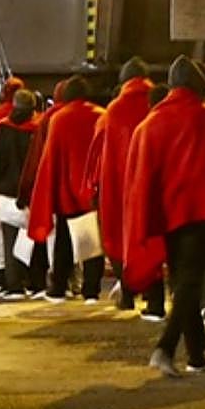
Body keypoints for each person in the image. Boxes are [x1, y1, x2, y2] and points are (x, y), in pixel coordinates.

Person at [124, 56, 205, 377]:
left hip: (166, 214)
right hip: (203, 210)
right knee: (190, 282)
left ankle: (196, 355)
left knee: (182, 281)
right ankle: (165, 347)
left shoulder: (150, 124)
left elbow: (138, 178)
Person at [85, 58, 161, 314]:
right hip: (153, 183)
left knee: (118, 238)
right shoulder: (158, 103)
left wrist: (94, 187)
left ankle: (127, 293)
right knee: (152, 237)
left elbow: (98, 152)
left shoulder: (113, 111)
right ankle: (155, 298)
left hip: (118, 186)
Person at [28, 77, 105, 303]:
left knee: (63, 241)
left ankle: (58, 287)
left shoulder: (59, 119)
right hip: (93, 190)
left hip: (65, 191)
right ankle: (91, 290)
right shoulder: (100, 115)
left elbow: (51, 158)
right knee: (92, 241)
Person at [0, 89, 40, 299]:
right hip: (32, 193)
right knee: (33, 239)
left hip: (6, 193)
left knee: (10, 237)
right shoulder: (37, 130)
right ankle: (34, 281)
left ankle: (14, 284)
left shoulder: (2, 128)